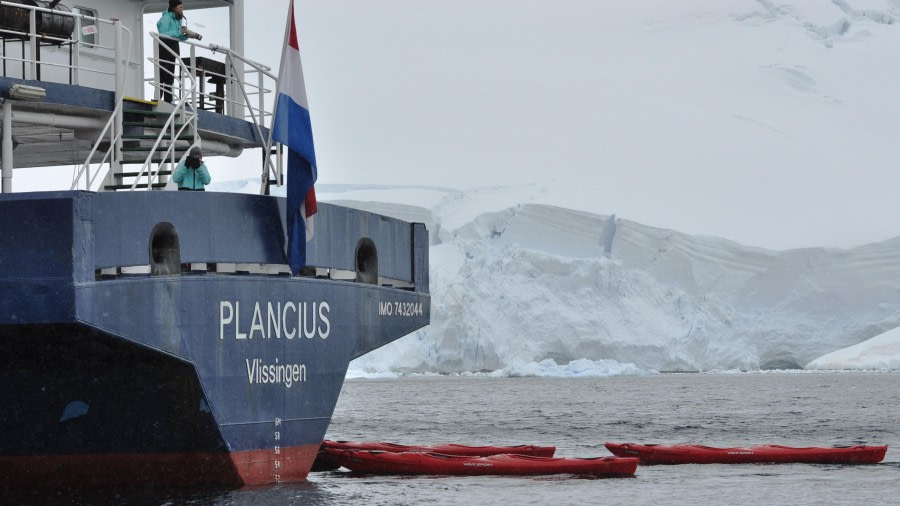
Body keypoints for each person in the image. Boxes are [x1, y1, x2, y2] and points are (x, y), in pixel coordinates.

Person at [156, 0, 202, 103]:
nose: (182, 9)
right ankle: (157, 99)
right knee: (162, 75)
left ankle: (168, 101)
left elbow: (177, 36)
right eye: (180, 7)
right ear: (174, 8)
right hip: (164, 47)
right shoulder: (166, 18)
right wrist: (179, 32)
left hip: (173, 48)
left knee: (170, 76)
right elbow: (163, 33)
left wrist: (187, 36)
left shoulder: (178, 19)